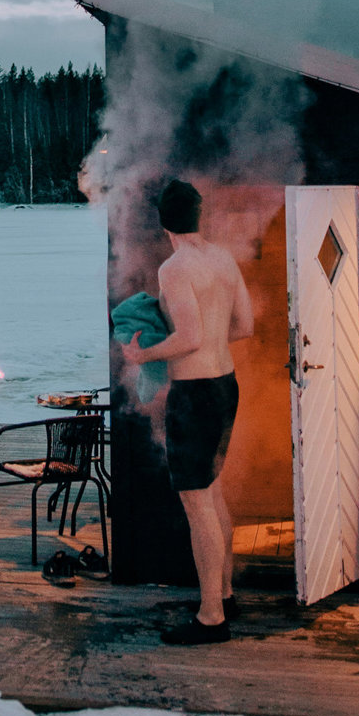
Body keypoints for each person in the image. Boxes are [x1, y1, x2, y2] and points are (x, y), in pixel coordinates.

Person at [122, 180, 253, 645]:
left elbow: (190, 337)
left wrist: (145, 355)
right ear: (199, 216)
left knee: (198, 506)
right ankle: (225, 593)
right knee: (213, 492)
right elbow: (244, 325)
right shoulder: (221, 258)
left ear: (165, 223)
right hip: (225, 386)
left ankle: (212, 617)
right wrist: (208, 345)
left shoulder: (175, 267)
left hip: (195, 394)